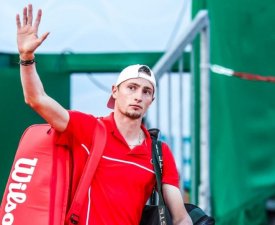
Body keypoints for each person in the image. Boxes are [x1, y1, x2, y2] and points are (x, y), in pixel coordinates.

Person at [16, 4, 193, 225]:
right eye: (131, 88)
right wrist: (26, 57)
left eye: (146, 91)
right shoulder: (90, 128)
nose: (138, 96)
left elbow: (180, 217)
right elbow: (37, 99)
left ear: (151, 100)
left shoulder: (159, 151)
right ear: (115, 92)